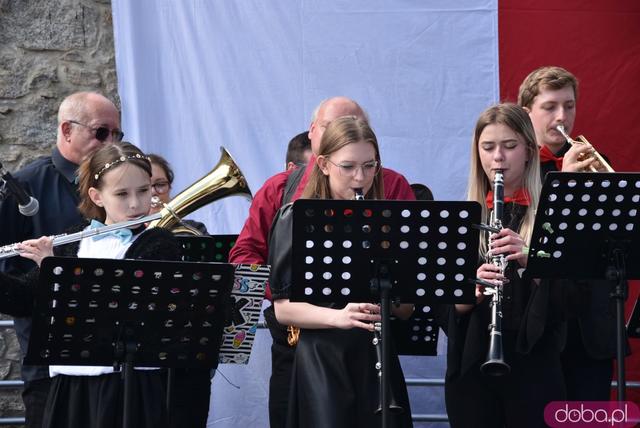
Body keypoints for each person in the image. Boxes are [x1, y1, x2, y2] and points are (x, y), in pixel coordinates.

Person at [228, 96, 415, 427]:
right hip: (319, 353)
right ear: (324, 162)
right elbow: (283, 307)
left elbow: (405, 306)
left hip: (375, 353)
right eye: (349, 167)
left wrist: (399, 296)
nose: (360, 177)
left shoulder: (388, 206)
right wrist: (339, 316)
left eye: (369, 166)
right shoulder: (294, 214)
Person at [0, 142, 179, 428]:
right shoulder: (75, 240)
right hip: (70, 383)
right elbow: (23, 299)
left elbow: (113, 304)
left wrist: (55, 270)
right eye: (122, 194)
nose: (135, 204)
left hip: (129, 385)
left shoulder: (159, 244)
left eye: (144, 191)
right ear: (97, 196)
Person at [0, 91, 122, 428]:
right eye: (101, 132)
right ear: (67, 130)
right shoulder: (24, 187)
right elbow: (9, 273)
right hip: (49, 359)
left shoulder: (117, 185)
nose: (110, 141)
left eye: (116, 134)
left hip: (112, 359)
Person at [443, 104, 566, 427]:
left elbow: (573, 303)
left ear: (528, 150)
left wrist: (532, 260)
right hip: (473, 367)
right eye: (488, 147)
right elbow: (443, 312)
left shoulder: (553, 217)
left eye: (509, 146)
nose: (498, 157)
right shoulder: (461, 222)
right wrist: (471, 293)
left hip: (536, 368)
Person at [518, 66, 618, 401]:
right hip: (538, 324)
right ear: (526, 112)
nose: (562, 116)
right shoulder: (516, 166)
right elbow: (526, 234)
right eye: (550, 107)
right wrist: (566, 185)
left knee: (590, 419)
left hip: (590, 323)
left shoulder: (595, 162)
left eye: (569, 105)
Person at [147, 153, 211, 428]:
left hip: (187, 359)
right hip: (141, 363)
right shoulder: (118, 236)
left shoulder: (194, 232)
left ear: (170, 188)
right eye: (143, 186)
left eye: (159, 185)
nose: (152, 193)